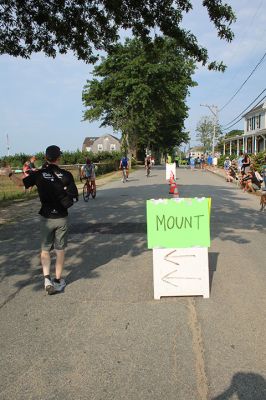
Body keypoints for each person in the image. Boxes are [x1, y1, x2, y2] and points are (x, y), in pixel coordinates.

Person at [9, 145, 79, 295]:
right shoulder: (66, 175)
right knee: (60, 250)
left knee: (45, 250)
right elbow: (74, 195)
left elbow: (20, 183)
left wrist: (9, 174)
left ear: (46, 157)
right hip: (62, 217)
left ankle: (47, 279)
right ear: (58, 158)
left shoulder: (39, 174)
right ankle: (58, 281)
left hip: (46, 217)